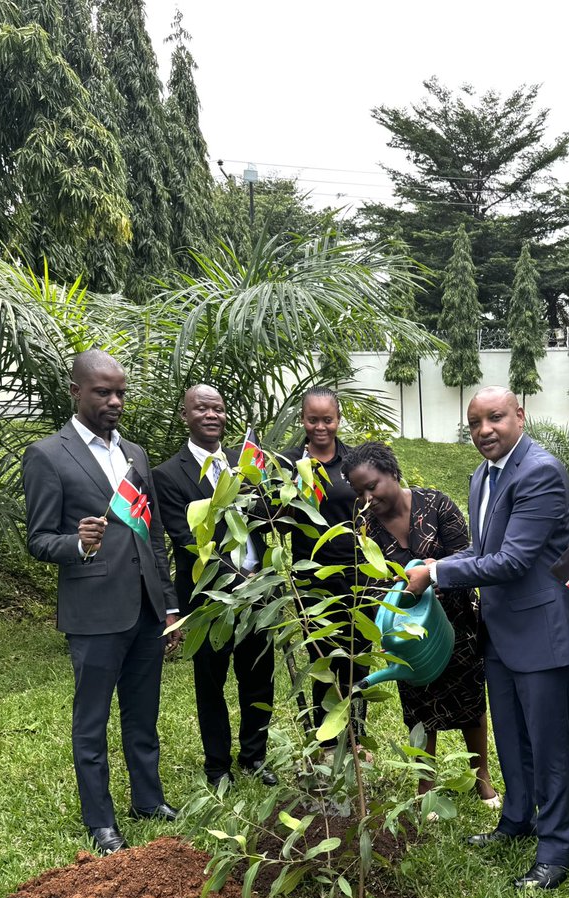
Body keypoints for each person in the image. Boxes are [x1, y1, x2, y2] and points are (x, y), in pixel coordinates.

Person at [406, 386, 569, 890]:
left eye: (495, 418)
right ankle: (516, 819)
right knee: (510, 735)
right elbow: (484, 548)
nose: (484, 430)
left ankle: (556, 849)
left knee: (548, 744)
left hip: (543, 630)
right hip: (502, 631)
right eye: (474, 423)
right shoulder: (483, 476)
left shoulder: (539, 472)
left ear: (520, 416)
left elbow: (511, 560)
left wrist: (436, 571)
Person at [21, 350, 180, 855]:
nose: (115, 401)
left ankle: (148, 800)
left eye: (121, 393)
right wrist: (77, 543)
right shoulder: (49, 455)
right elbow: (39, 538)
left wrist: (169, 603)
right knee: (91, 720)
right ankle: (101, 821)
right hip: (93, 613)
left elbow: (153, 534)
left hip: (146, 609)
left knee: (143, 713)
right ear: (76, 392)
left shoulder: (134, 453)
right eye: (103, 392)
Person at [342, 440, 499, 806]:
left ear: (392, 474)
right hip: (408, 632)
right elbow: (367, 579)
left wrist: (432, 574)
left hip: (457, 623)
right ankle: (426, 785)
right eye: (358, 491)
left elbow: (468, 555)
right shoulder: (364, 527)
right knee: (420, 709)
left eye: (372, 486)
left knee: (471, 704)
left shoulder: (436, 504)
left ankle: (482, 777)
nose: (366, 498)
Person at [153, 384, 277, 788]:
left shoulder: (245, 466)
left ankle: (255, 756)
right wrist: (237, 578)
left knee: (258, 678)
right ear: (185, 415)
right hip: (209, 600)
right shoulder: (168, 475)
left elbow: (265, 520)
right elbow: (185, 537)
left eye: (218, 409)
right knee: (212, 684)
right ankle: (218, 765)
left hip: (260, 597)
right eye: (201, 408)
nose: (211, 415)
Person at [278, 386, 369, 747]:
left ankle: (356, 737)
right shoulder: (288, 464)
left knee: (357, 658)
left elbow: (371, 506)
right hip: (311, 579)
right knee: (322, 661)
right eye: (312, 419)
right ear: (303, 419)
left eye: (327, 419)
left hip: (358, 575)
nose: (320, 427)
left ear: (338, 420)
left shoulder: (355, 461)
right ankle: (327, 742)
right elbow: (274, 517)